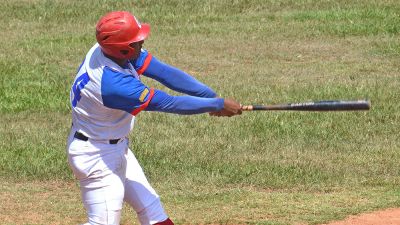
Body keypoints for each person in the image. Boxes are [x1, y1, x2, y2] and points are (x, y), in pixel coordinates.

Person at [67, 10, 242, 225]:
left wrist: (212, 97)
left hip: (115, 146)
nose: (141, 43)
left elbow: (165, 73)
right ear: (123, 48)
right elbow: (168, 102)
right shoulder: (113, 84)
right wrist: (216, 105)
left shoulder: (110, 50)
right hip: (96, 157)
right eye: (136, 41)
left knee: (153, 212)